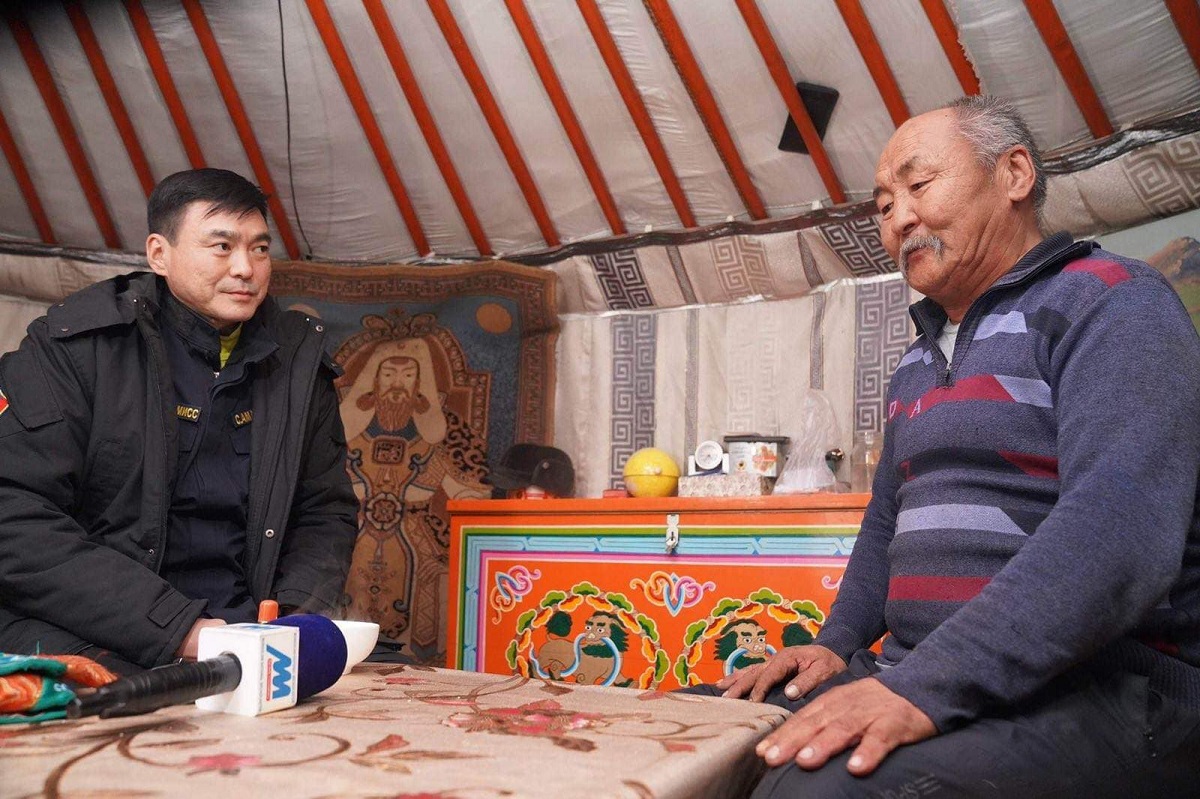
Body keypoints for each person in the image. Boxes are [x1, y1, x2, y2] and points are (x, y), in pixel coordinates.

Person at [705, 96, 1200, 797]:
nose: (899, 219)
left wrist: (925, 687)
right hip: (926, 670)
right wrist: (835, 644)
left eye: (919, 184)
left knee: (814, 786)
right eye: (883, 206)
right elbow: (887, 523)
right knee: (705, 735)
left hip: (1105, 689)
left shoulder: (1112, 302)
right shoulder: (915, 362)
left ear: (1014, 174)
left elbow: (1119, 531)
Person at [0, 168, 357, 674]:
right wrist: (179, 629)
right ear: (158, 254)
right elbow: (13, 516)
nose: (245, 268)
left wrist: (291, 624)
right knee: (131, 699)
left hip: (247, 631)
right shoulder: (76, 348)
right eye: (222, 246)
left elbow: (325, 510)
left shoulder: (298, 359)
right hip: (97, 628)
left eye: (259, 249)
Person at [339, 337, 488, 661]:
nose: (397, 384)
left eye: (407, 376)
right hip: (353, 538)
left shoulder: (431, 447)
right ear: (374, 382)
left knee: (438, 573)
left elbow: (464, 490)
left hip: (415, 539)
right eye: (389, 374)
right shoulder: (348, 443)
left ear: (419, 386)